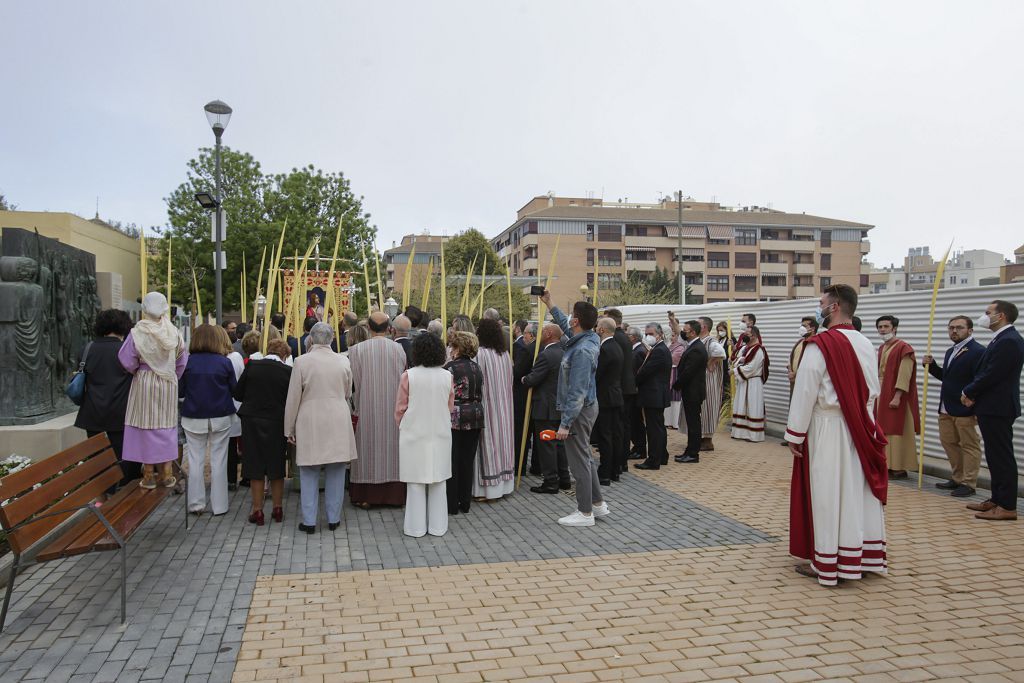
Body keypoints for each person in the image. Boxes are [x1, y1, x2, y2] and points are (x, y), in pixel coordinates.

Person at [786, 284, 888, 587]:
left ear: (834, 307)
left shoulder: (820, 344)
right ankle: (863, 556)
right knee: (857, 490)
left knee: (828, 491)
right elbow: (874, 389)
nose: (819, 307)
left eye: (821, 303)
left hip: (828, 426)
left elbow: (807, 389)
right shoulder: (865, 343)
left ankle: (828, 560)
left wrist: (796, 432)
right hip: (860, 424)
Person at [284, 323, 358, 533]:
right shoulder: (343, 361)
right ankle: (333, 518)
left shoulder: (301, 362)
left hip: (310, 417)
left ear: (311, 339)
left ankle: (309, 521)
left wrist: (289, 427)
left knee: (308, 470)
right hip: (337, 415)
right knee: (336, 469)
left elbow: (293, 398)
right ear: (332, 338)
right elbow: (347, 391)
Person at [542, 291, 608, 526]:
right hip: (587, 407)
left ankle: (585, 512)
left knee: (578, 461)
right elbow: (564, 325)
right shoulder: (586, 338)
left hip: (579, 411)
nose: (568, 319)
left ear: (577, 321)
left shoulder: (581, 350)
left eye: (572, 316)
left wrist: (565, 423)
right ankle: (598, 504)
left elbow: (577, 392)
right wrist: (550, 302)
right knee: (585, 457)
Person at [119, 292, 188, 490]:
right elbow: (182, 360)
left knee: (144, 424)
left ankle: (148, 474)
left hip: (145, 381)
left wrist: (139, 370)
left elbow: (126, 359)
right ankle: (166, 473)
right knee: (165, 425)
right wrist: (171, 375)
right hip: (167, 382)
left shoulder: (137, 332)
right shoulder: (174, 332)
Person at [962, 300, 1024, 521]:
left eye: (988, 312)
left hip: (999, 407)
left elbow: (992, 374)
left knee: (1002, 457)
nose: (984, 316)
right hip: (991, 406)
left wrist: (969, 391)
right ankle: (996, 499)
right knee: (995, 456)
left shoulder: (1009, 341)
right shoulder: (1002, 339)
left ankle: (1007, 506)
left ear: (1002, 316)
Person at [396, 333, 455, 537]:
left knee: (415, 482)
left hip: (414, 431)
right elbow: (450, 407)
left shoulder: (408, 376)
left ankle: (415, 527)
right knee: (439, 481)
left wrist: (404, 424)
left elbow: (400, 409)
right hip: (439, 431)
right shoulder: (447, 376)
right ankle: (438, 526)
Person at [348, 311, 408, 507]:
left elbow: (352, 383)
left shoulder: (356, 350)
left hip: (366, 407)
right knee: (391, 452)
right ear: (389, 328)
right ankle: (393, 496)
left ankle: (366, 496)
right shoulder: (399, 350)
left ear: (369, 328)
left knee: (367, 451)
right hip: (392, 410)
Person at [922, 316, 985, 497]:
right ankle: (957, 477)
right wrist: (932, 366)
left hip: (965, 407)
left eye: (959, 328)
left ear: (970, 330)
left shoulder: (978, 351)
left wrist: (974, 401)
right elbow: (948, 378)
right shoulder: (951, 351)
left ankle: (969, 482)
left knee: (969, 445)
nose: (954, 331)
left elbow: (980, 380)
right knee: (949, 442)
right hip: (946, 407)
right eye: (951, 328)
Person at [179, 324, 237, 515]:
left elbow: (180, 391)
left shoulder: (188, 362)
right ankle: (220, 506)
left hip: (194, 415)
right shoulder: (224, 362)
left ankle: (196, 504)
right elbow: (234, 390)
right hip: (220, 415)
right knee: (219, 460)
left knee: (195, 460)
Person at [234, 338, 292, 525]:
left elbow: (238, 393)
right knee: (276, 464)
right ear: (284, 355)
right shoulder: (288, 371)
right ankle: (277, 508)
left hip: (252, 419)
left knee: (255, 464)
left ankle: (257, 510)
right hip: (277, 420)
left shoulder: (252, 366)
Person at [74, 309, 137, 485]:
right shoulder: (127, 350)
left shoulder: (86, 349)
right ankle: (124, 494)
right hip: (121, 412)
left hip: (92, 412)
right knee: (125, 458)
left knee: (98, 459)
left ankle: (104, 495)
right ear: (124, 326)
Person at [522, 323, 571, 493]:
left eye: (542, 331)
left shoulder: (546, 354)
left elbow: (533, 379)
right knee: (558, 444)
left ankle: (551, 481)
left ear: (549, 334)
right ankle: (564, 478)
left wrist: (524, 379)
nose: (540, 334)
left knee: (547, 445)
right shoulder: (564, 352)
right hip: (558, 405)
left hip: (545, 407)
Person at [473, 318, 515, 500]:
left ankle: (488, 491)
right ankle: (505, 486)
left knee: (488, 446)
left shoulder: (480, 355)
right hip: (504, 406)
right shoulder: (505, 354)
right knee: (503, 444)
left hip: (487, 405)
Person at [875, 315, 920, 479]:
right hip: (882, 391)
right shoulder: (882, 347)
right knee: (884, 430)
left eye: (886, 326)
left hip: (896, 394)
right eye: (880, 327)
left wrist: (897, 396)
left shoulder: (904, 348)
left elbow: (905, 374)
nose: (882, 330)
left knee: (896, 431)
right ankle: (887, 464)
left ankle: (899, 467)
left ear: (894, 328)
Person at [445, 330, 485, 514]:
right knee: (467, 461)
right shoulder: (477, 367)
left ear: (458, 347)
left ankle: (451, 504)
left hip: (456, 416)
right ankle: (465, 502)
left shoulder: (450, 368)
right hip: (475, 415)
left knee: (453, 460)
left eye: (453, 345)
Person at [635, 323, 672, 470]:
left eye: (650, 333)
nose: (647, 336)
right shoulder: (657, 349)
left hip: (654, 394)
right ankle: (662, 455)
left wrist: (635, 380)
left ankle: (654, 459)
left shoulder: (660, 350)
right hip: (655, 394)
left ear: (659, 334)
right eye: (646, 333)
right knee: (658, 427)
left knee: (654, 429)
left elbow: (646, 371)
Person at [605, 309, 637, 476]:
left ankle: (618, 462)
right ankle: (621, 461)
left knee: (618, 428)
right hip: (627, 387)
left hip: (620, 388)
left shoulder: (615, 338)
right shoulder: (624, 337)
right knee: (623, 427)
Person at [673, 320, 708, 463]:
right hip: (690, 391)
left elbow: (688, 372)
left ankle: (693, 453)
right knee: (691, 422)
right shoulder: (692, 346)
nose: (683, 332)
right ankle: (689, 450)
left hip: (693, 392)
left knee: (694, 423)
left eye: (686, 330)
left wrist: (677, 384)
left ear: (693, 332)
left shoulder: (697, 349)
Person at [594, 317, 624, 485]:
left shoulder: (605, 349)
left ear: (602, 330)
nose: (596, 328)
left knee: (605, 436)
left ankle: (605, 473)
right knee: (615, 435)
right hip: (615, 395)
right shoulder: (617, 346)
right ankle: (614, 470)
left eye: (598, 326)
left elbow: (598, 374)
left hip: (605, 397)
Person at [693, 317, 727, 452]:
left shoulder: (711, 341)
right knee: (702, 409)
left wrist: (711, 362)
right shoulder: (699, 340)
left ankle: (707, 441)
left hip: (709, 381)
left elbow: (721, 353)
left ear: (705, 327)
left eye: (698, 324)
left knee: (708, 408)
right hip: (701, 381)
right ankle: (700, 438)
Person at [731, 325, 769, 442]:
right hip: (744, 382)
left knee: (752, 406)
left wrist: (734, 370)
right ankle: (741, 433)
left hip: (753, 382)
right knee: (742, 405)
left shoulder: (759, 350)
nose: (745, 336)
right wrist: (738, 363)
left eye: (747, 334)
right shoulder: (745, 348)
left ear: (755, 335)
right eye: (744, 334)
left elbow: (752, 367)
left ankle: (753, 434)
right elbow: (736, 360)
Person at [511, 320, 535, 477]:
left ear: (530, 335)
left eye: (525, 333)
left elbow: (518, 372)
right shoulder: (538, 348)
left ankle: (519, 465)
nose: (523, 336)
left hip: (523, 395)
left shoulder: (528, 350)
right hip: (533, 396)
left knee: (521, 433)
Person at [226, 338, 246, 491]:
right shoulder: (235, 358)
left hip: (230, 406)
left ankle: (229, 479)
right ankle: (233, 478)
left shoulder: (232, 358)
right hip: (235, 405)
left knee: (229, 446)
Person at [627, 326, 648, 461]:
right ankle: (637, 447)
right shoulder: (635, 350)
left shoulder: (639, 351)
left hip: (636, 392)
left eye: (627, 334)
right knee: (634, 420)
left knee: (636, 421)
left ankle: (640, 448)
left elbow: (638, 373)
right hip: (633, 390)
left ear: (633, 337)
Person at [665, 312, 686, 430]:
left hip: (675, 373)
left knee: (675, 399)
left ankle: (675, 422)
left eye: (674, 335)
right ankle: (667, 421)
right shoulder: (669, 345)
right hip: (668, 373)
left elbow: (674, 359)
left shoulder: (680, 347)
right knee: (668, 398)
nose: (672, 337)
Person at [788, 317, 819, 392]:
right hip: (794, 383)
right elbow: (790, 360)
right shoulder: (799, 343)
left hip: (807, 385)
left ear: (813, 328)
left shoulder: (816, 344)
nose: (801, 328)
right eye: (801, 326)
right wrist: (790, 372)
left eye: (804, 326)